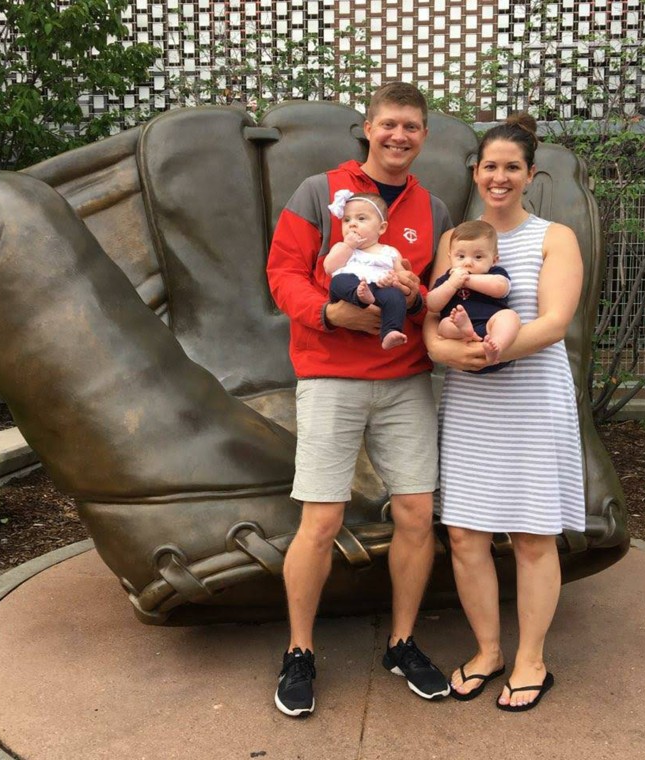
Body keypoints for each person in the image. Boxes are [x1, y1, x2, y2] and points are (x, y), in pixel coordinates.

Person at [266, 81, 453, 717]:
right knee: (320, 521)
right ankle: (299, 651)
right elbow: (282, 272)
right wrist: (327, 313)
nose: (399, 136)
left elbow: (440, 289)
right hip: (330, 375)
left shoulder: (434, 209)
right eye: (388, 124)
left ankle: (401, 642)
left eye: (412, 126)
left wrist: (420, 295)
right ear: (367, 128)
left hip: (405, 379)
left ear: (423, 135)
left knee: (415, 515)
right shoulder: (320, 192)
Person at [423, 113, 586, 711]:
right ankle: (489, 650)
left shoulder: (553, 237)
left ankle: (531, 660)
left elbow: (553, 322)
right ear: (476, 171)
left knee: (531, 535)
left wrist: (488, 352)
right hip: (468, 401)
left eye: (511, 167)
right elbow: (431, 321)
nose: (499, 176)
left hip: (530, 399)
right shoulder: (455, 239)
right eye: (489, 166)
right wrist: (447, 351)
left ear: (529, 174)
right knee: (465, 534)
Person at [426, 220, 521, 371]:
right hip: (460, 337)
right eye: (461, 256)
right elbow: (432, 304)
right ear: (450, 257)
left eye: (478, 257)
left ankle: (496, 347)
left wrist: (467, 281)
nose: (468, 263)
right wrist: (451, 285)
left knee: (510, 316)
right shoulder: (447, 280)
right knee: (444, 325)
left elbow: (500, 288)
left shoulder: (495, 273)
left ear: (494, 260)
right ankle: (466, 330)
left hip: (490, 328)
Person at [325, 190, 409, 350]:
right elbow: (330, 268)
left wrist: (393, 280)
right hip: (351, 288)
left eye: (361, 219)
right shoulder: (343, 247)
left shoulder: (390, 252)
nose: (352, 224)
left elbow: (401, 275)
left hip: (379, 288)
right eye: (346, 220)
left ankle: (391, 331)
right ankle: (359, 295)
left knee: (395, 297)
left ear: (381, 228)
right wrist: (349, 246)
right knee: (338, 281)